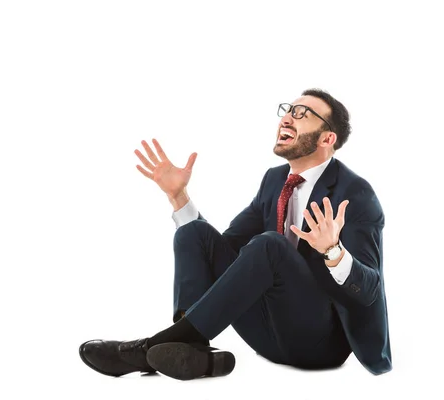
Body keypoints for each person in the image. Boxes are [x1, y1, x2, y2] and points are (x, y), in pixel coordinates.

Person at [79, 88, 392, 381]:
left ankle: (148, 350)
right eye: (289, 110)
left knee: (270, 245)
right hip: (269, 336)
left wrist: (334, 252)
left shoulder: (356, 194)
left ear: (327, 138)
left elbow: (369, 290)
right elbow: (226, 256)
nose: (286, 118)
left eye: (302, 114)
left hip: (320, 346)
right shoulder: (274, 181)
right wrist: (179, 197)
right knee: (194, 233)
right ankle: (192, 351)